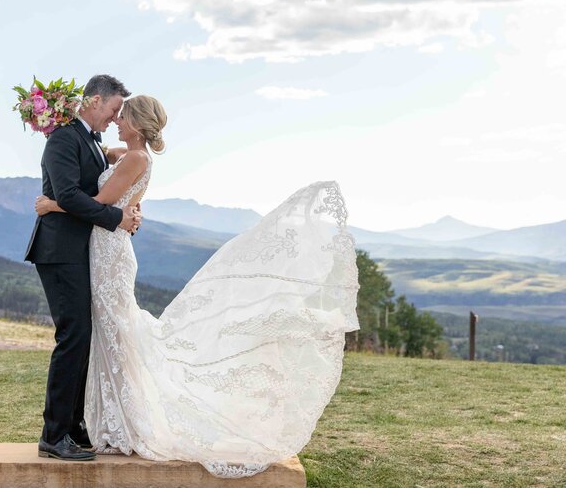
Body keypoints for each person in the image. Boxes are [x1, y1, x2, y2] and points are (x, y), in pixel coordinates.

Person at [35, 94, 360, 477]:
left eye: (123, 117)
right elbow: (100, 151)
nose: (117, 121)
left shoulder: (137, 159)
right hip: (105, 246)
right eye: (114, 114)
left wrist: (52, 205)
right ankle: (106, 421)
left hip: (109, 253)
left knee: (116, 331)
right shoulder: (130, 154)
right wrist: (68, 124)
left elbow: (100, 200)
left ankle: (120, 422)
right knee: (109, 333)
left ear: (137, 124)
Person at [25, 74, 141, 462]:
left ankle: (72, 427)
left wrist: (114, 159)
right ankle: (53, 435)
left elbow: (95, 175)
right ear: (93, 101)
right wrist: (116, 217)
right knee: (72, 337)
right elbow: (70, 195)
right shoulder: (61, 139)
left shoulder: (87, 139)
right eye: (112, 109)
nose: (114, 116)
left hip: (79, 249)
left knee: (83, 338)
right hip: (59, 250)